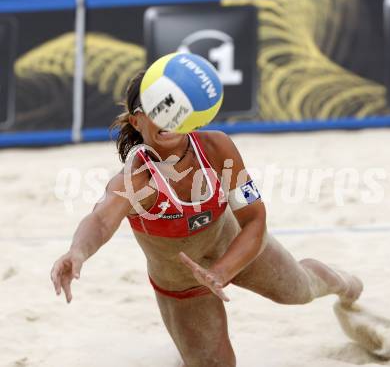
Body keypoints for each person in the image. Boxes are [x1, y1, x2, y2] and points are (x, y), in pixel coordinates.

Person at [51, 71, 363, 367]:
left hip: (239, 247)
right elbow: (101, 220)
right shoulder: (137, 180)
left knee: (299, 291)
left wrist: (222, 270)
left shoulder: (216, 147)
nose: (166, 114)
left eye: (172, 103)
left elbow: (255, 218)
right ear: (137, 120)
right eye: (154, 107)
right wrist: (77, 251)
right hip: (180, 282)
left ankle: (342, 283)